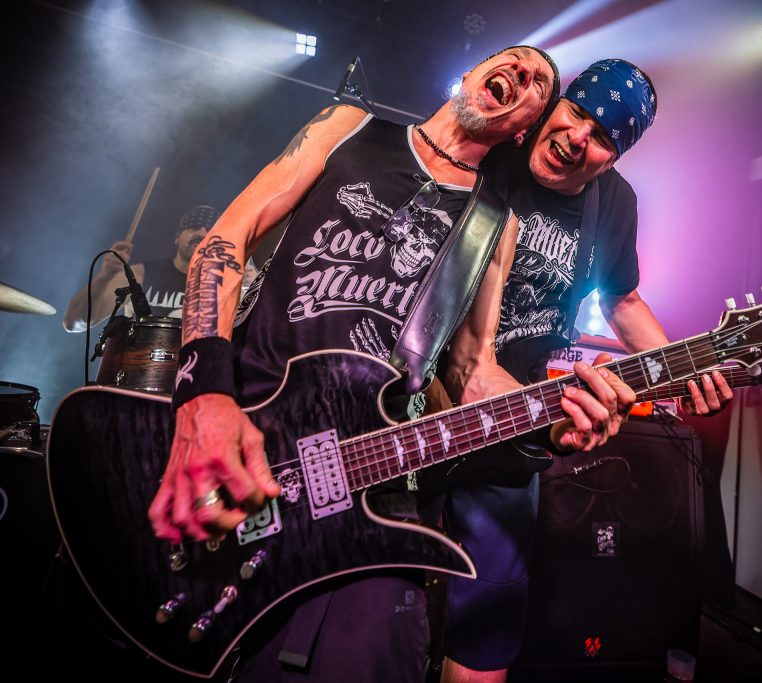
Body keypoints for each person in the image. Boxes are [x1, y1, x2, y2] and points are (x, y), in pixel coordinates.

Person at [146, 46, 635, 682]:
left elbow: (471, 370)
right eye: (513, 61)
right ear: (470, 73)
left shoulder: (495, 222)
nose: (521, 74)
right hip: (249, 431)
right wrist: (205, 397)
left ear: (524, 128)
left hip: (365, 476)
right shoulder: (348, 128)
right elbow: (226, 241)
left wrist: (550, 420)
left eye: (539, 83)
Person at [427, 59, 734, 683]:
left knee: (486, 626)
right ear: (557, 102)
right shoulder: (497, 144)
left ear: (614, 158)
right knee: (377, 605)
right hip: (411, 399)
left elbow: (622, 299)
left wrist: (689, 369)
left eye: (601, 139)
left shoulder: (614, 204)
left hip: (511, 428)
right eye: (576, 115)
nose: (577, 138)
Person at [62, 205, 258, 330]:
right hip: (136, 376)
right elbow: (75, 322)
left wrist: (252, 285)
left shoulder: (225, 287)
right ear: (177, 237)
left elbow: (256, 335)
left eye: (210, 231)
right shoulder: (139, 275)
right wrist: (104, 277)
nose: (201, 233)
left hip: (195, 376)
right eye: (193, 227)